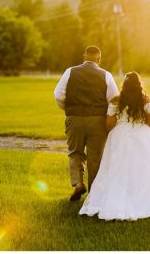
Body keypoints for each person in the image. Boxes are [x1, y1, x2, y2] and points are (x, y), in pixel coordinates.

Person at [79, 72, 150, 220]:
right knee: (145, 169)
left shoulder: (116, 101)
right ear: (139, 84)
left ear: (124, 85)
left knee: (117, 169)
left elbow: (109, 125)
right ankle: (144, 201)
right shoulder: (146, 100)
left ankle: (113, 200)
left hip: (119, 136)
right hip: (143, 136)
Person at [54, 45, 119, 201]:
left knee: (75, 152)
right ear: (99, 59)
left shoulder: (70, 72)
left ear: (84, 56)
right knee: (95, 156)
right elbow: (114, 98)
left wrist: (70, 110)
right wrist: (106, 115)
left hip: (74, 117)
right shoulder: (106, 75)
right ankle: (94, 193)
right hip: (97, 120)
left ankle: (78, 184)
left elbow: (58, 95)